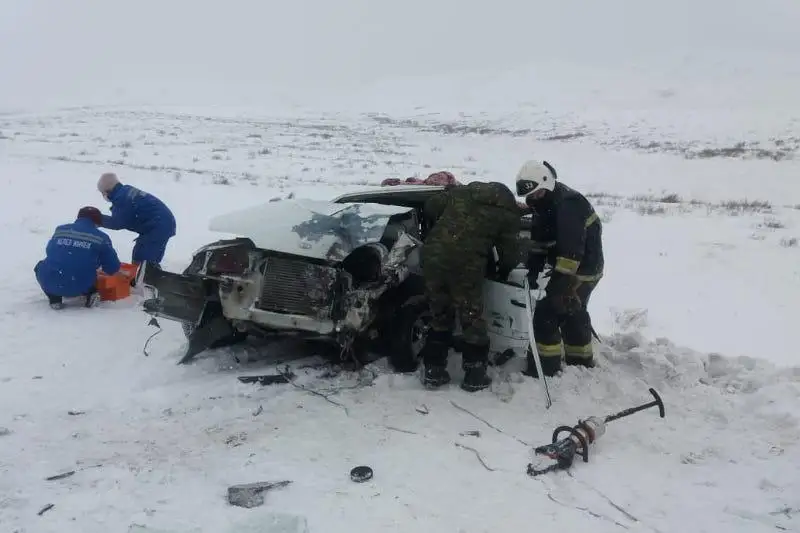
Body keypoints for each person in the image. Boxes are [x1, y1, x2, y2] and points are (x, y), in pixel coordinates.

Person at [418, 180, 522, 392]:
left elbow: (430, 206)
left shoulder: (461, 193)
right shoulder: (507, 214)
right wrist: (504, 269)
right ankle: (474, 375)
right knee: (472, 317)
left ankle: (433, 371)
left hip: (432, 256)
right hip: (465, 264)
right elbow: (510, 253)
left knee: (439, 313)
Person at [515, 159, 604, 377]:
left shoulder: (568, 206)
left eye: (537, 194)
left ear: (547, 184)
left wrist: (558, 281)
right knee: (572, 311)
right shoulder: (543, 204)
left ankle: (545, 368)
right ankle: (580, 362)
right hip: (568, 264)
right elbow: (540, 243)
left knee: (548, 311)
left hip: (581, 269)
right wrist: (533, 272)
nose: (533, 200)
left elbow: (571, 251)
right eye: (530, 196)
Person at [34, 206, 121, 310]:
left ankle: (54, 298)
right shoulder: (101, 237)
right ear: (97, 222)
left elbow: (50, 251)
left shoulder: (61, 229)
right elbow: (112, 267)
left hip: (49, 281)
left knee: (40, 266)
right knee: (88, 272)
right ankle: (91, 293)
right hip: (80, 284)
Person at [96, 172, 176, 270]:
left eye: (102, 193)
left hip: (158, 226)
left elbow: (118, 223)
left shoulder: (121, 198)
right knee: (140, 256)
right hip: (159, 223)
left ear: (107, 191)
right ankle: (145, 276)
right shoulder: (125, 191)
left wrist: (97, 218)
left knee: (144, 262)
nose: (103, 196)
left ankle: (148, 280)